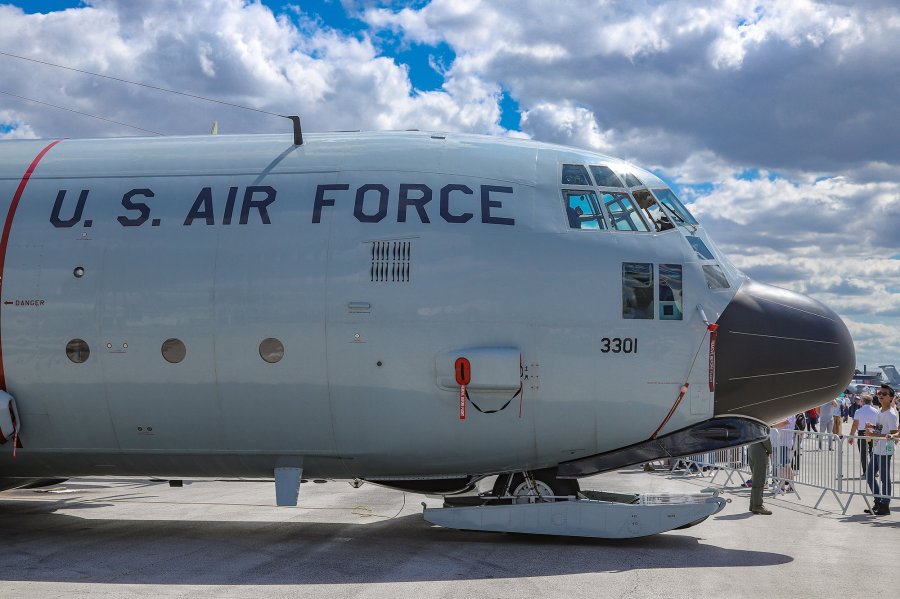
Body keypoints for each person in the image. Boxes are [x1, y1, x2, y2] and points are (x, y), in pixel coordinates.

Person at [863, 385, 899, 516]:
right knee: (869, 475)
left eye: (884, 393)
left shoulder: (891, 414)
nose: (880, 395)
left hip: (885, 450)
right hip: (877, 448)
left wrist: (874, 435)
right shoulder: (880, 411)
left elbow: (894, 435)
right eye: (879, 393)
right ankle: (878, 501)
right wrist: (872, 427)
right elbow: (881, 429)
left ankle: (885, 504)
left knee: (884, 478)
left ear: (891, 398)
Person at [848, 394, 879, 476]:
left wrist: (851, 436)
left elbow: (855, 425)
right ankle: (874, 471)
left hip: (862, 433)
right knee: (873, 452)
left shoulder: (858, 411)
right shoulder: (876, 411)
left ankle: (866, 471)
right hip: (873, 432)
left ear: (862, 401)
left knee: (863, 453)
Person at [748, 437, 773, 515]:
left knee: (756, 479)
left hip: (752, 448)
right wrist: (770, 450)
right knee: (759, 479)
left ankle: (753, 504)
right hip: (759, 451)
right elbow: (765, 438)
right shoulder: (763, 424)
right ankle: (758, 505)